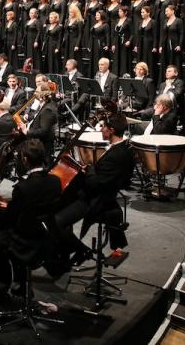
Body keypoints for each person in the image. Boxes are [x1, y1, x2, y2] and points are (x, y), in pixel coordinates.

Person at [0, 139, 62, 302]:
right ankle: (20, 285)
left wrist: (5, 208)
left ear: (25, 159)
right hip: (44, 236)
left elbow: (9, 220)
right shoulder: (56, 181)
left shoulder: (23, 188)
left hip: (22, 241)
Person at [56, 114, 134, 267]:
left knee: (56, 222)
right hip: (100, 194)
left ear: (111, 130)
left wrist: (89, 170)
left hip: (96, 200)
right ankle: (62, 256)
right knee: (61, 205)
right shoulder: (122, 148)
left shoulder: (116, 155)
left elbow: (95, 183)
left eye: (103, 126)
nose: (101, 130)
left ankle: (81, 250)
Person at [16, 74, 59, 161]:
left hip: (40, 146)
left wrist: (26, 131)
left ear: (43, 94)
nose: (35, 94)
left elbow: (43, 131)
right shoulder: (44, 105)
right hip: (36, 140)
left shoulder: (48, 110)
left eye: (37, 92)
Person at [158, 65, 185, 133]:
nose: (167, 73)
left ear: (176, 73)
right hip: (162, 107)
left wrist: (169, 87)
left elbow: (176, 95)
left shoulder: (179, 82)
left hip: (174, 108)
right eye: (166, 71)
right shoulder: (162, 84)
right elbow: (159, 96)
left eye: (169, 71)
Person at [159, 5, 184, 77]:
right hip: (165, 44)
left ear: (173, 11)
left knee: (174, 62)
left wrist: (179, 45)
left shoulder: (178, 21)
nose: (165, 12)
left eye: (167, 11)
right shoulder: (165, 21)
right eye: (165, 11)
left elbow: (182, 34)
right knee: (165, 61)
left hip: (174, 44)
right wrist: (160, 45)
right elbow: (162, 34)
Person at [112, 7, 133, 77]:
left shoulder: (129, 21)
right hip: (117, 42)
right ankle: (116, 76)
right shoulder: (117, 20)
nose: (119, 13)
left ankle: (124, 76)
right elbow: (115, 33)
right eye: (119, 11)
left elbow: (133, 33)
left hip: (124, 42)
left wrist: (129, 41)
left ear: (125, 12)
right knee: (116, 60)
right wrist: (113, 44)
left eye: (121, 11)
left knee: (124, 60)